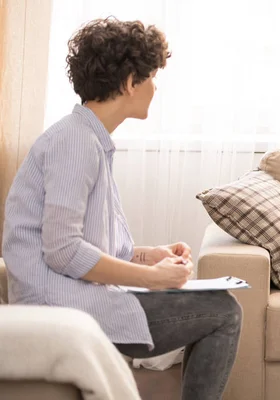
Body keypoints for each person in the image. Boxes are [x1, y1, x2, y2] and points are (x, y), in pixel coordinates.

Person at [2, 17, 241, 399]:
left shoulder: (87, 139)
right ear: (131, 82)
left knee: (220, 309)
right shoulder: (76, 143)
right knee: (223, 313)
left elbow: (90, 246)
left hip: (76, 295)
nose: (155, 87)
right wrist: (151, 279)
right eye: (152, 77)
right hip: (59, 304)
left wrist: (150, 257)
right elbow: (63, 250)